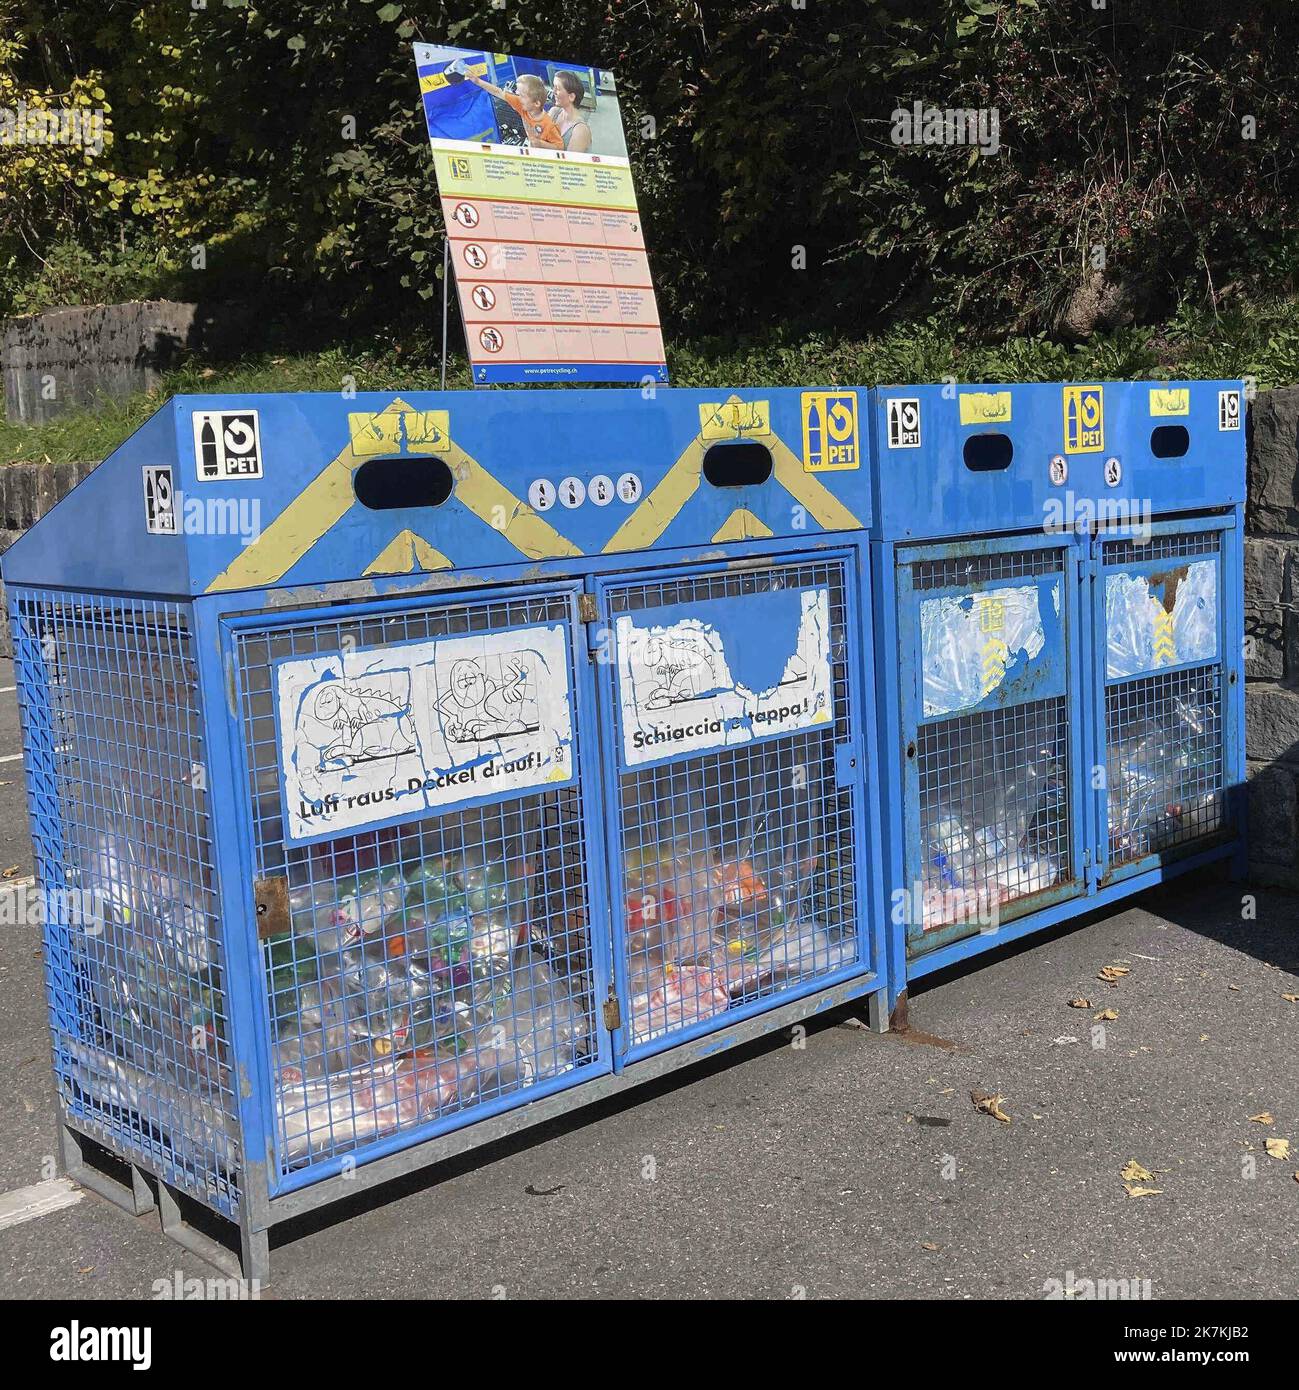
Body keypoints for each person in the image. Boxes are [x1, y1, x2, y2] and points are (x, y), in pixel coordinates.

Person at [450, 60, 564, 148]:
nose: (518, 97)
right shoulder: (523, 105)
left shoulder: (548, 125)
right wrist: (477, 81)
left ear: (536, 103)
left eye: (522, 95)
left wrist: (537, 142)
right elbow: (498, 92)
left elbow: (559, 148)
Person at [549, 70, 592, 153]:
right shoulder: (554, 112)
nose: (553, 92)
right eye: (553, 87)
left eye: (557, 88)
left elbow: (569, 165)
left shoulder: (580, 130)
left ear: (571, 97)